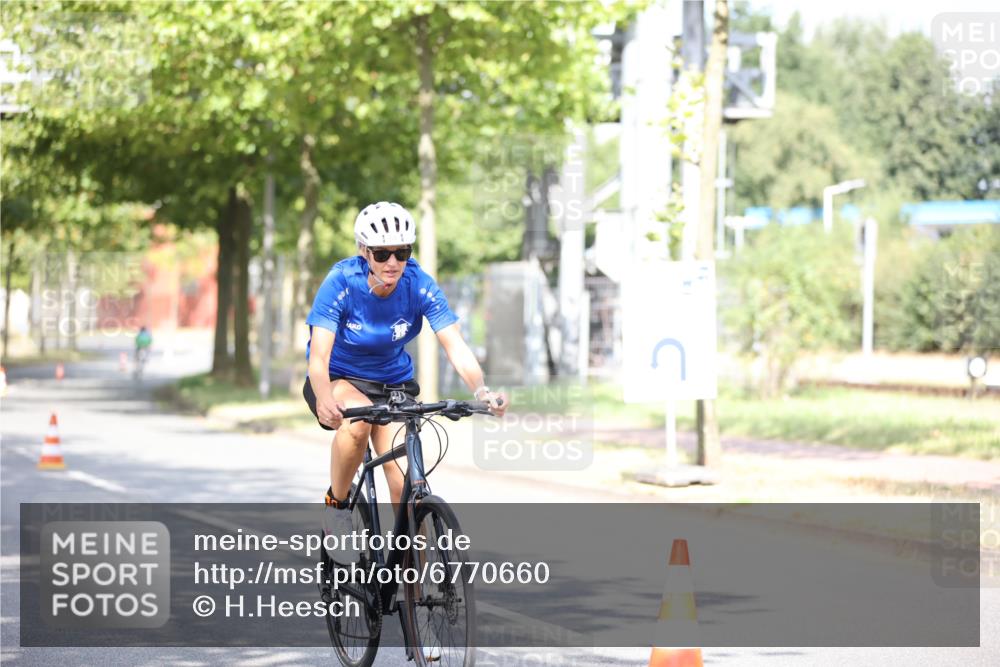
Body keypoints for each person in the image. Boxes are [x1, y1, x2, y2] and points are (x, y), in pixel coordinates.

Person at [303, 201, 508, 562]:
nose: (393, 262)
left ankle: (418, 586)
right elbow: (317, 357)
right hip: (340, 378)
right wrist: (323, 397)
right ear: (364, 251)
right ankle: (337, 508)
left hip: (393, 383)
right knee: (356, 422)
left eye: (402, 252)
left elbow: (454, 343)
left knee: (404, 486)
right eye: (382, 253)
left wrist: (481, 390)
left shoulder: (418, 284)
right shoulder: (341, 282)